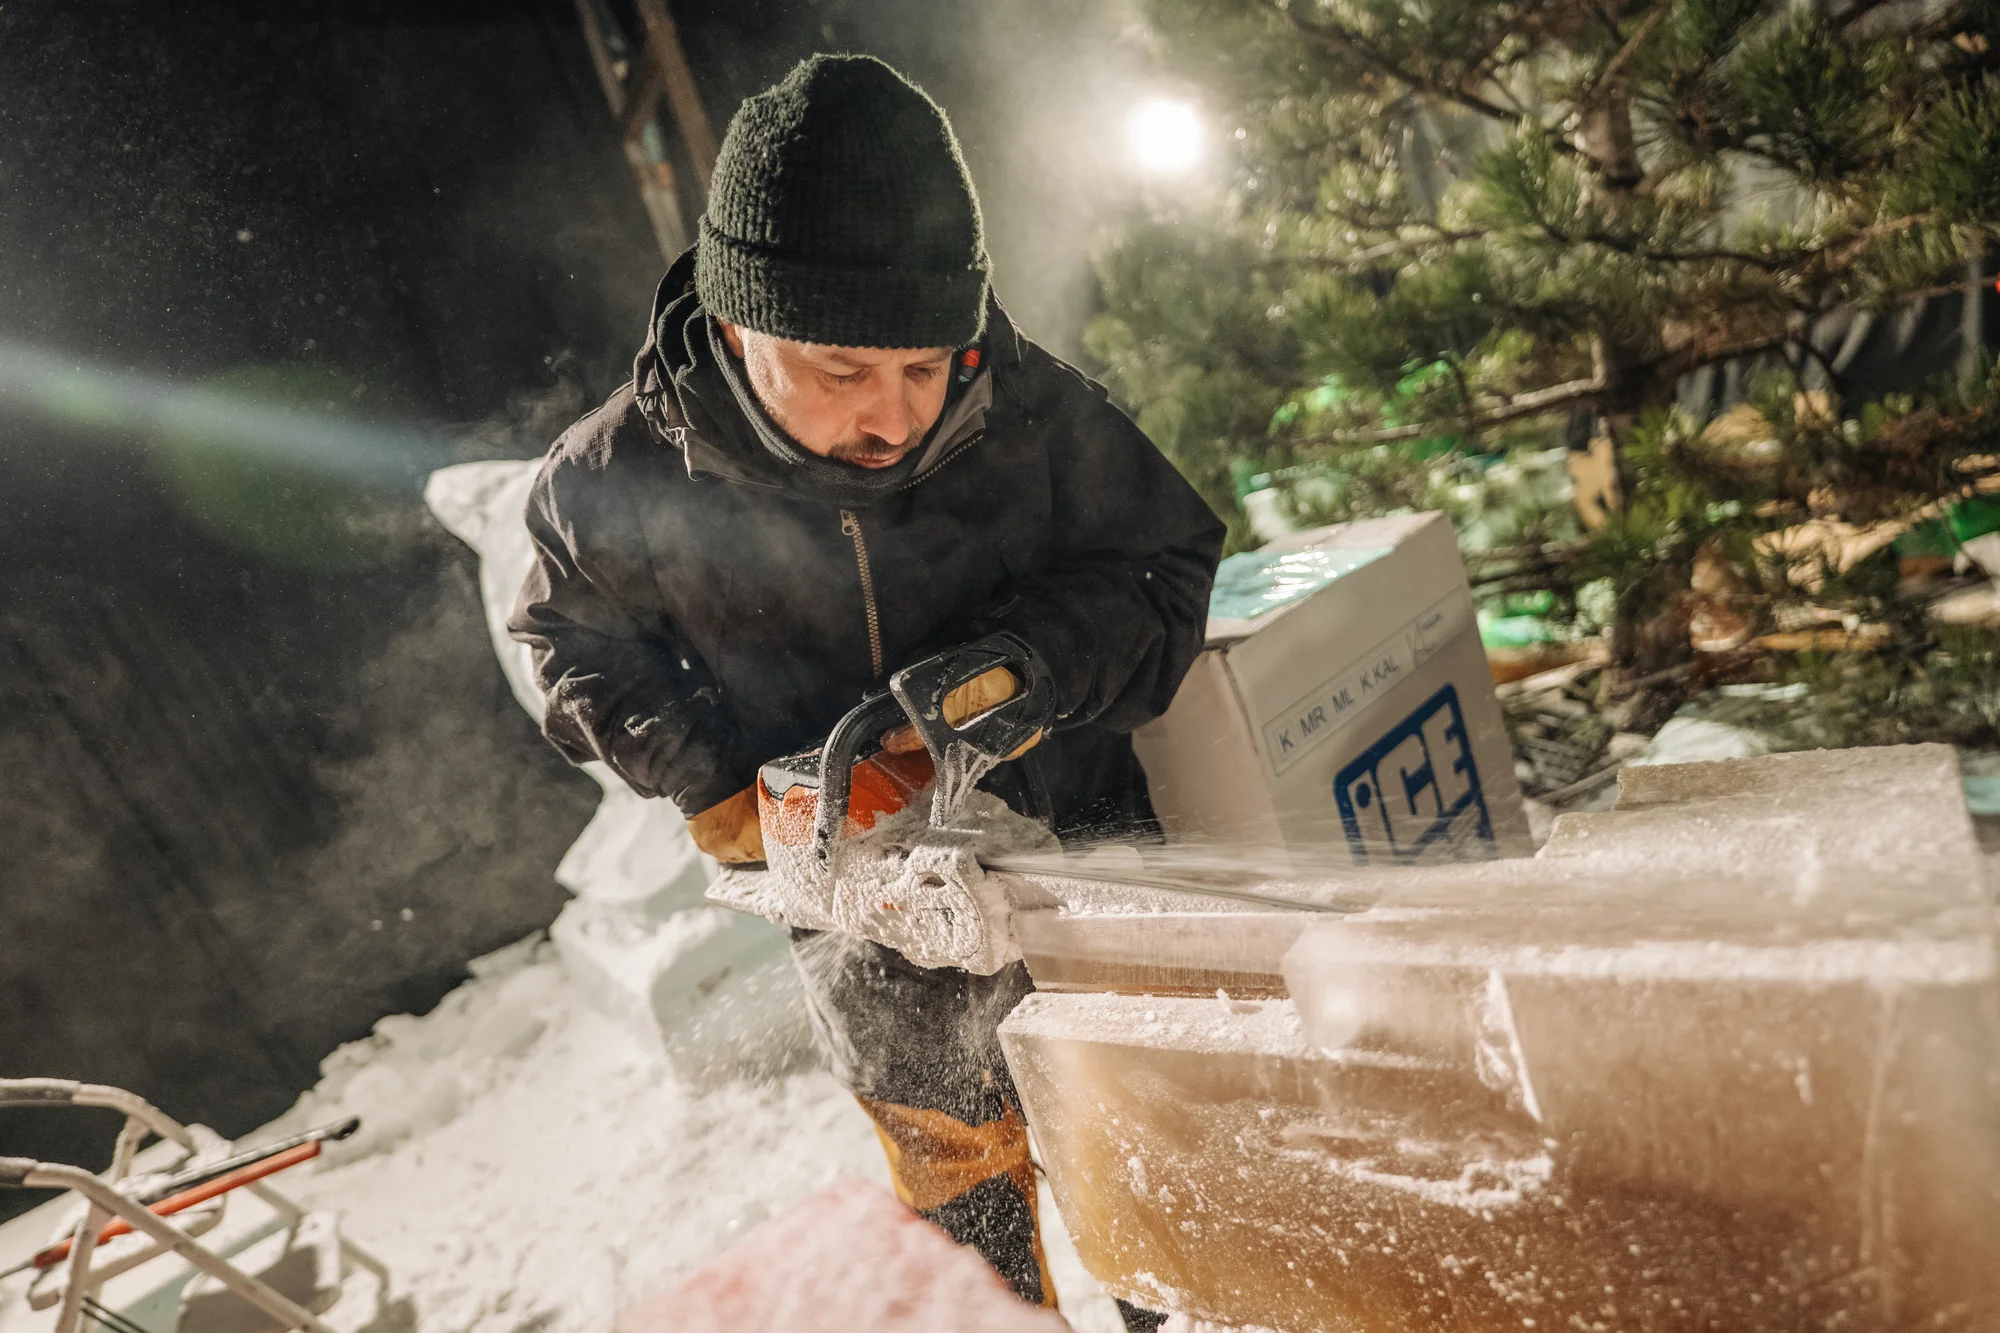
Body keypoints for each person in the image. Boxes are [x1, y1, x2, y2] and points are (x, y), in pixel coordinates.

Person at [509, 53, 1222, 1330]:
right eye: (841, 371)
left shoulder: (1029, 405)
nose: (892, 417)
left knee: (1149, 1157)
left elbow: (1163, 565)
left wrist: (1022, 668)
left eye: (925, 364)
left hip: (1076, 852)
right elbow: (572, 645)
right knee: (960, 1189)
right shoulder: (613, 476)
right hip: (864, 916)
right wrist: (719, 779)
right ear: (736, 328)